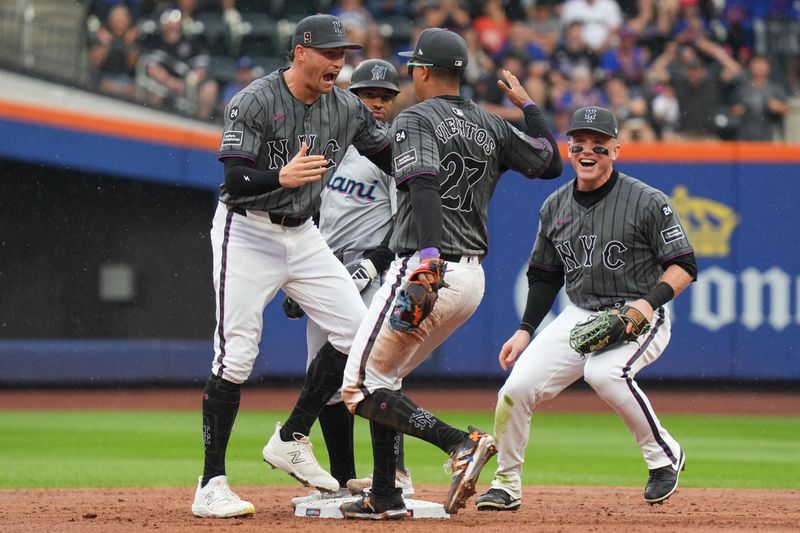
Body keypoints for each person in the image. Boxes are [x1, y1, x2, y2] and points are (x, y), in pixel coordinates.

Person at [338, 28, 563, 519]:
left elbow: (421, 183)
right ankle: (385, 494)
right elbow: (551, 162)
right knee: (384, 379)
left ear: (420, 71)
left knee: (356, 387)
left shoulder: (414, 118)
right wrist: (528, 105)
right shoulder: (492, 123)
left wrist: (429, 257)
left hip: (427, 266)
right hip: (470, 279)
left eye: (411, 67)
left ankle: (459, 443)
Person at [191, 13, 394, 519]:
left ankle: (291, 437)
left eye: (342, 54)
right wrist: (279, 176)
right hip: (248, 230)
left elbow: (391, 157)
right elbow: (234, 182)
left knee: (359, 337)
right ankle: (210, 483)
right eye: (329, 54)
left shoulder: (346, 108)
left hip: (303, 234)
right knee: (236, 357)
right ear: (300, 52)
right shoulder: (256, 99)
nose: (338, 63)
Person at [475, 106, 697, 512]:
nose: (588, 152)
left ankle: (663, 455)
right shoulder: (554, 205)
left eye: (599, 145)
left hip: (639, 309)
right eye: (579, 144)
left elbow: (683, 265)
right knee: (514, 391)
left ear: (616, 149)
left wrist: (646, 305)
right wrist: (525, 330)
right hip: (579, 313)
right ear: (570, 149)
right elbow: (544, 276)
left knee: (604, 372)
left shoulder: (648, 201)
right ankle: (506, 483)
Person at [281, 58, 415, 508]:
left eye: (384, 97)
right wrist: (296, 275)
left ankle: (394, 474)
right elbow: (310, 209)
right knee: (325, 373)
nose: (376, 104)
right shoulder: (332, 143)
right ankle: (343, 478)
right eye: (367, 96)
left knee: (379, 370)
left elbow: (406, 221)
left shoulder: (394, 148)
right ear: (351, 98)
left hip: (374, 272)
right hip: (325, 269)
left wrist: (374, 265)